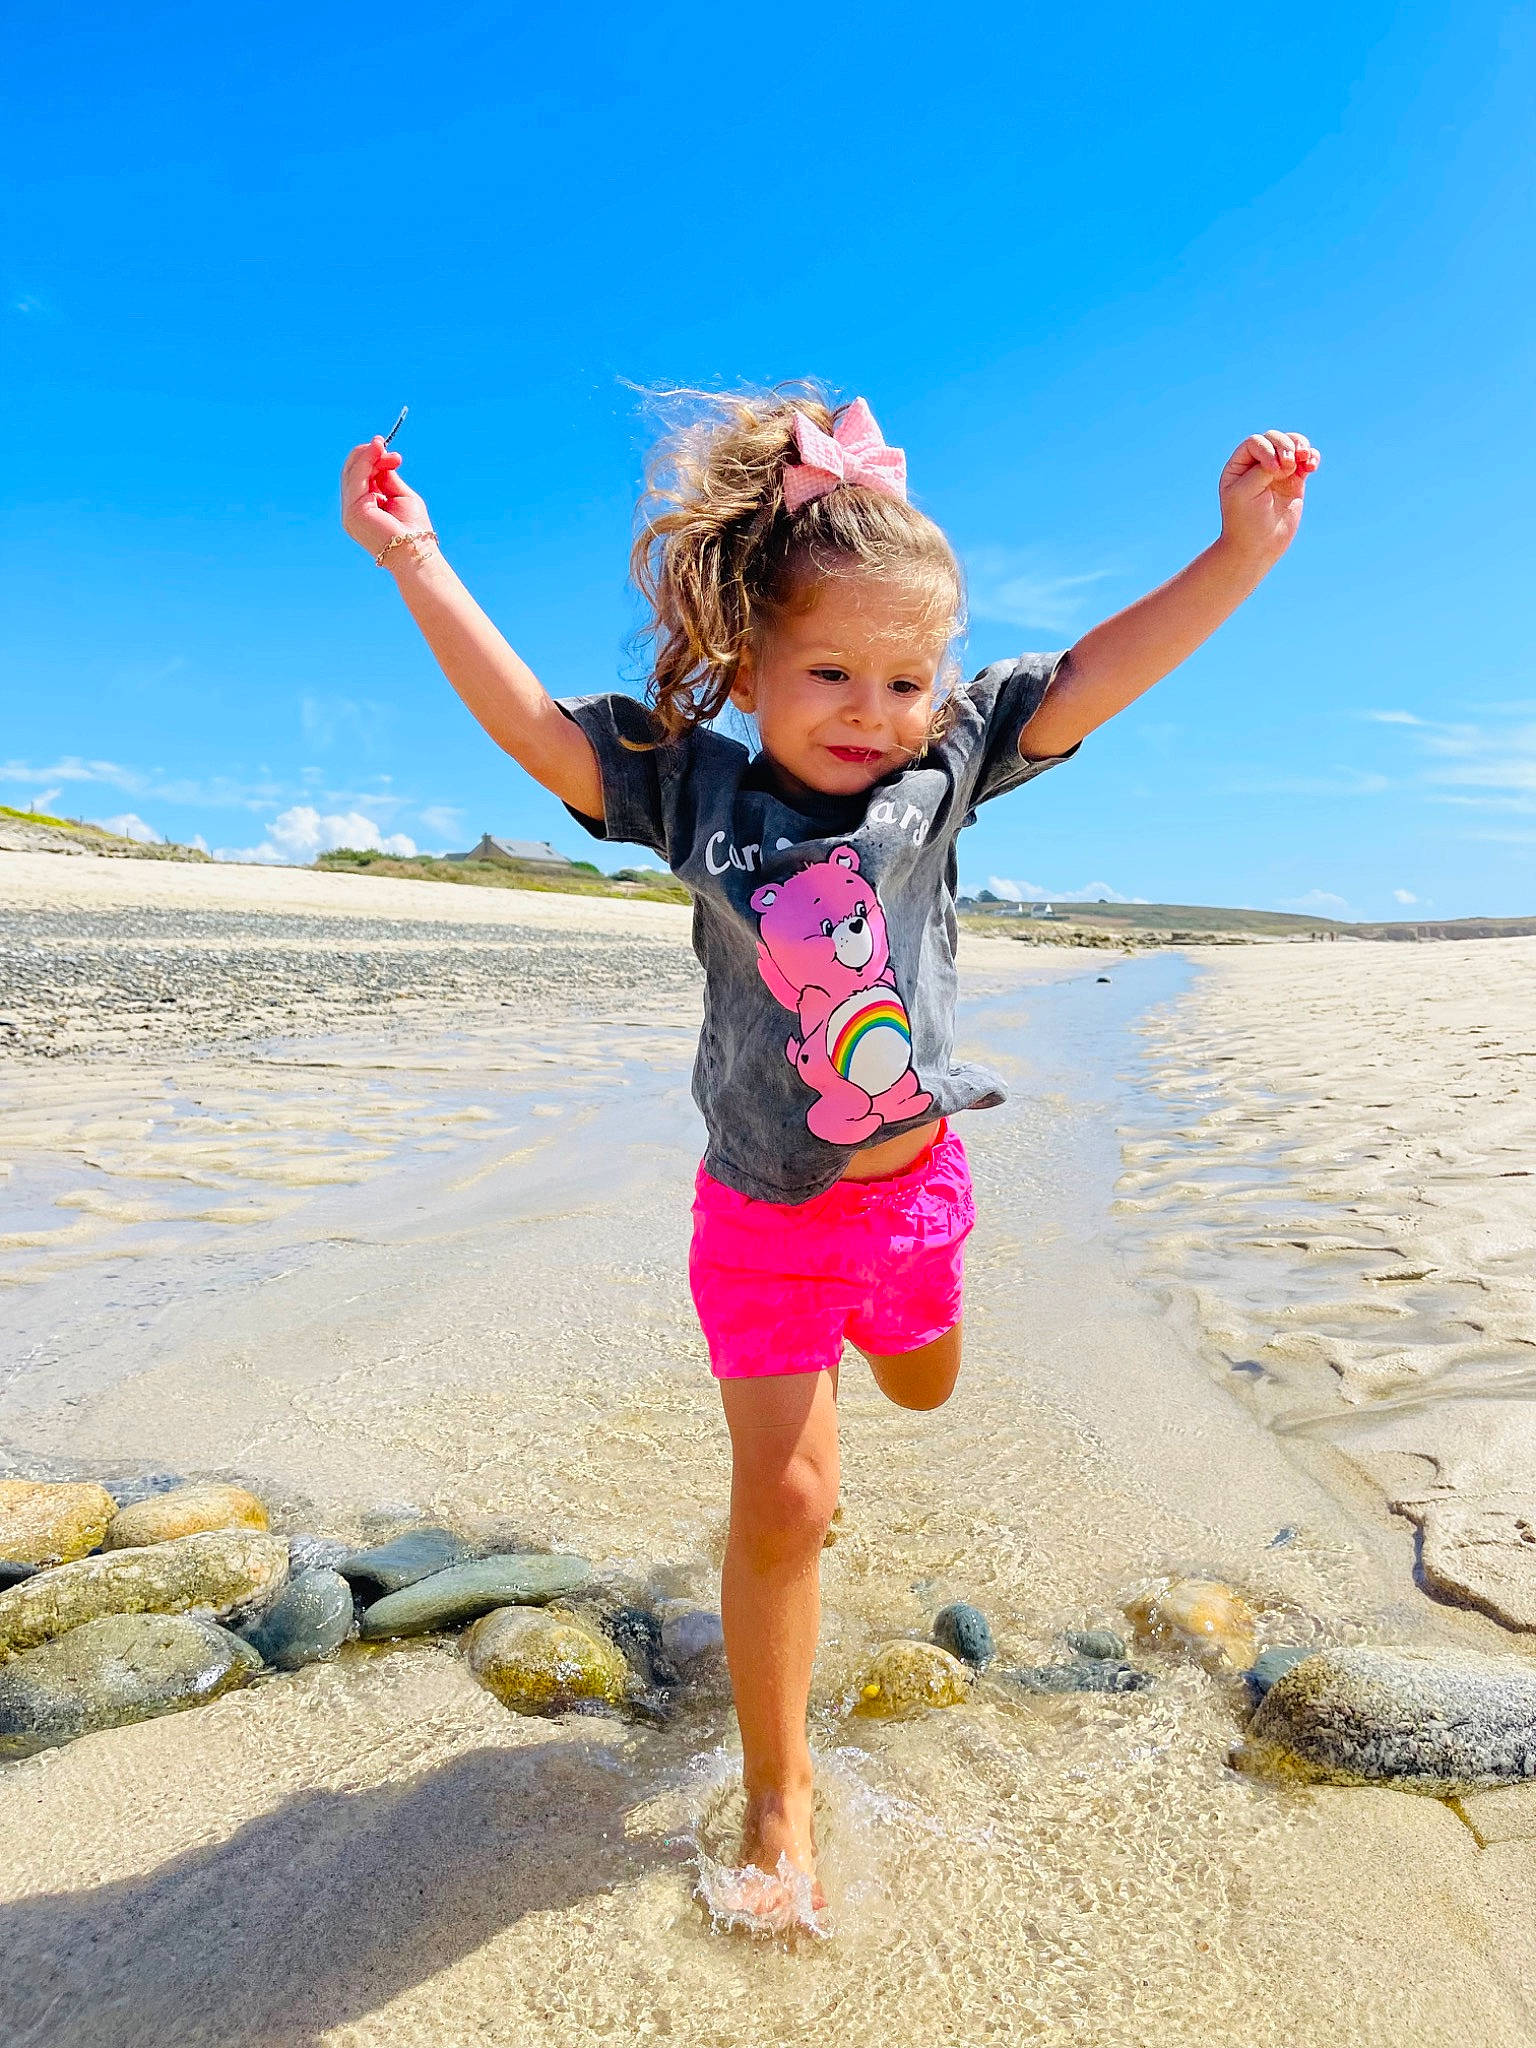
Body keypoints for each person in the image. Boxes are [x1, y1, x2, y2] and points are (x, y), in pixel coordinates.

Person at [339, 388, 1319, 1931]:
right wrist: (419, 566)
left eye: (907, 676)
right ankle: (779, 1798)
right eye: (832, 671)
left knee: (922, 1379)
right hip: (761, 1216)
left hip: (914, 1199)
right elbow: (536, 730)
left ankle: (918, 1332)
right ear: (746, 668)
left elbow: (1097, 675)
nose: (873, 706)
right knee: (788, 1500)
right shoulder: (698, 792)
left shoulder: (943, 774)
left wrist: (1237, 554)